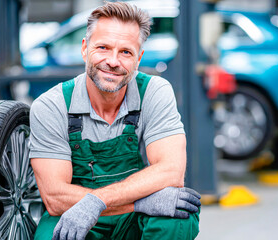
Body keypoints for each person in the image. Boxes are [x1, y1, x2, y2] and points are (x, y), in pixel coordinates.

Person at [29, 2, 200, 239]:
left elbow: (171, 172)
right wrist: (138, 203)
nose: (113, 61)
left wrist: (100, 200)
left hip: (134, 223)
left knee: (178, 217)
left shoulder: (154, 92)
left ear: (138, 58)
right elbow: (56, 198)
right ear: (84, 49)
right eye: (103, 47)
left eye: (125, 52)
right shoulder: (51, 106)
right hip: (75, 215)